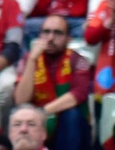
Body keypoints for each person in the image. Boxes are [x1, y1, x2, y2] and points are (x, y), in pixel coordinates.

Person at [13, 14, 92, 150]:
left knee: (71, 114)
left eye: (58, 33)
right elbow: (21, 100)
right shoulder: (28, 59)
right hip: (38, 126)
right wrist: (32, 60)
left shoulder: (78, 61)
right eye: (46, 32)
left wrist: (42, 112)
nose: (50, 38)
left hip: (69, 128)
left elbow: (78, 94)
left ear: (68, 39)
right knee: (22, 117)